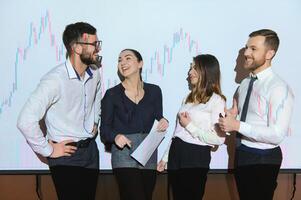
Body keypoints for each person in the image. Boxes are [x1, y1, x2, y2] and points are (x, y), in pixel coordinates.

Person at [17, 22, 102, 200]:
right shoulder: (55, 80)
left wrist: (95, 121)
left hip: (90, 152)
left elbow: (97, 99)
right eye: (94, 44)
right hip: (66, 155)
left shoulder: (95, 72)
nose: (97, 49)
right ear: (77, 47)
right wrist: (48, 149)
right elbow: (25, 120)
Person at [219, 29, 294, 200]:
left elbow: (277, 134)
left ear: (269, 53)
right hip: (242, 152)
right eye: (247, 48)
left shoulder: (278, 87)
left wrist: (237, 125)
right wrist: (230, 114)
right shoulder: (245, 83)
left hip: (264, 159)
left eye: (253, 49)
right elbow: (238, 112)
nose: (246, 53)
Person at [100, 49, 169, 200]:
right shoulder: (111, 95)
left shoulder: (155, 91)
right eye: (119, 60)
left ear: (140, 63)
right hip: (124, 153)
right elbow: (104, 130)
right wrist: (115, 136)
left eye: (128, 58)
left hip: (148, 153)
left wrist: (164, 120)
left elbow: (159, 116)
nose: (122, 63)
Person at [157, 54, 227, 200]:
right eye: (190, 68)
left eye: (195, 67)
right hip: (177, 152)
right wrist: (165, 158)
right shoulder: (187, 98)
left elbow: (219, 139)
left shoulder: (216, 100)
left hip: (196, 156)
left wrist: (190, 126)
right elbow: (177, 132)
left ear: (207, 71)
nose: (190, 72)